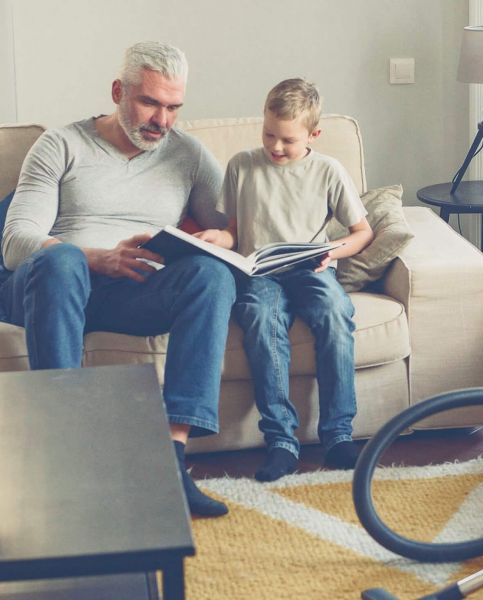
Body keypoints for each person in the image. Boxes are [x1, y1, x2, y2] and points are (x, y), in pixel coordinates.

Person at [0, 41, 235, 517]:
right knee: (61, 262)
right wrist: (95, 258)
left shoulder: (188, 154)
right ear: (117, 91)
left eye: (173, 107)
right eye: (150, 102)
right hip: (52, 288)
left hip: (132, 294)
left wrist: (220, 239)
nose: (162, 120)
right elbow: (16, 242)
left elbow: (233, 227)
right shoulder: (62, 145)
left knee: (211, 275)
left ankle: (171, 460)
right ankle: (64, 459)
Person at [196, 78, 374, 482]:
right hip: (260, 271)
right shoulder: (242, 165)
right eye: (269, 134)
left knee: (334, 311)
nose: (275, 147)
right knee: (259, 316)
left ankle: (338, 434)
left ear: (314, 134)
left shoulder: (328, 170)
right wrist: (216, 239)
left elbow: (363, 232)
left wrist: (332, 252)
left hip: (311, 268)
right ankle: (280, 440)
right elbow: (236, 233)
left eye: (287, 140)